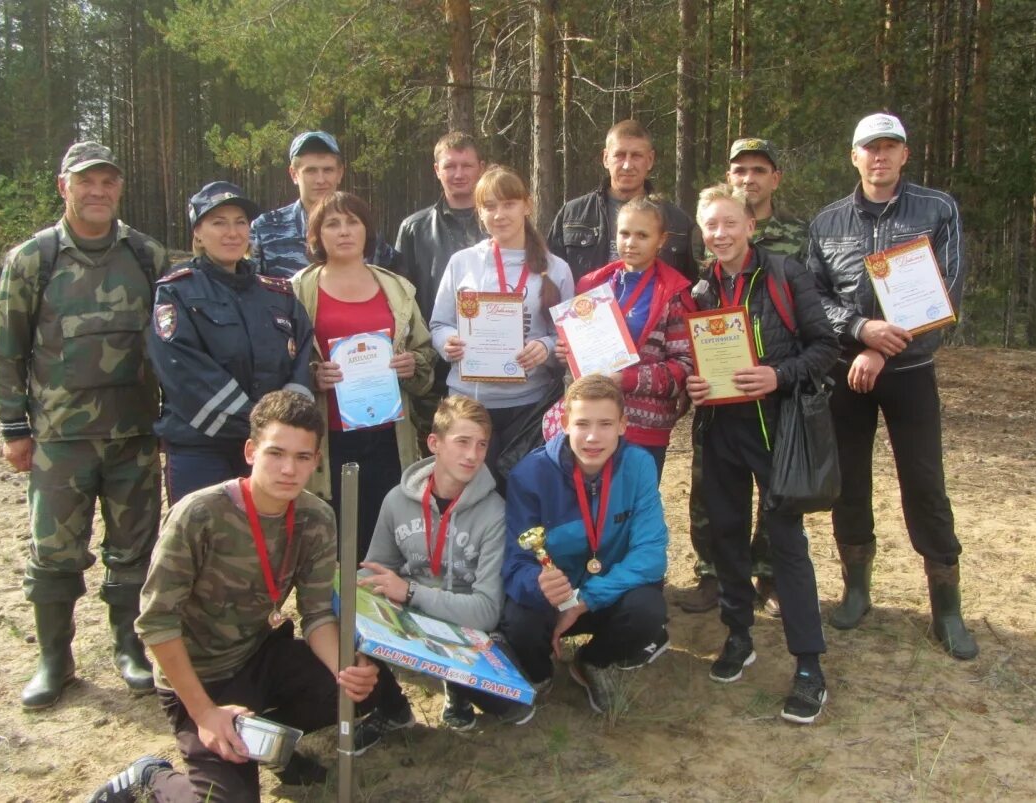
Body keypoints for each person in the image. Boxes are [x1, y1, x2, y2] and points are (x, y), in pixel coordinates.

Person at [86, 391, 381, 803]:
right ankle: (151, 777)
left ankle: (265, 745)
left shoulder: (316, 517)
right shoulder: (198, 515)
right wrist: (205, 713)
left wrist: (342, 669)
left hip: (258, 656)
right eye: (276, 453)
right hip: (198, 677)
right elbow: (156, 623)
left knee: (361, 689)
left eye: (302, 457)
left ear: (316, 461)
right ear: (250, 451)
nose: (288, 469)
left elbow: (315, 615)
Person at [0, 140, 168, 710]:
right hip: (59, 441)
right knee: (54, 552)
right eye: (86, 182)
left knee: (133, 549)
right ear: (64, 186)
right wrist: (13, 429)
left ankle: (129, 647)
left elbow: (172, 341)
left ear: (119, 189)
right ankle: (54, 659)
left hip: (135, 435)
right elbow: (6, 349)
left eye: (108, 182)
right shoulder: (33, 260)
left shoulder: (146, 256)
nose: (98, 192)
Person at [807, 113, 977, 660]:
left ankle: (946, 607)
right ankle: (857, 589)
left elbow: (942, 295)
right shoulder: (827, 223)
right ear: (853, 157)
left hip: (909, 374)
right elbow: (816, 301)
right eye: (869, 148)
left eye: (890, 147)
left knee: (925, 484)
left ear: (906, 155)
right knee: (848, 482)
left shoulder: (937, 210)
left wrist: (880, 350)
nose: (879, 157)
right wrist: (859, 333)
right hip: (845, 372)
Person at [685, 184, 838, 723]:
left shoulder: (785, 274)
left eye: (730, 223)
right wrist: (692, 385)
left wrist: (777, 374)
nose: (720, 234)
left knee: (785, 540)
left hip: (777, 429)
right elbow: (693, 359)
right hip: (720, 429)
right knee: (725, 534)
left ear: (750, 225)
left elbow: (825, 348)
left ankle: (809, 666)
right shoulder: (701, 288)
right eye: (711, 226)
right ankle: (739, 636)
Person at [354, 396, 533, 751]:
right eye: (462, 442)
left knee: (515, 710)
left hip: (466, 629)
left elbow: (486, 610)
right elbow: (373, 573)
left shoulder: (495, 513)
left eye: (481, 444)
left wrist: (409, 593)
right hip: (412, 620)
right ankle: (391, 708)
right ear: (434, 443)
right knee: (344, 624)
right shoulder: (396, 501)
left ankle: (458, 685)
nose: (473, 455)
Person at [681, 137, 811, 616]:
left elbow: (813, 321)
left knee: (776, 494)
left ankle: (771, 574)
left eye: (760, 169)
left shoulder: (798, 241)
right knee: (710, 491)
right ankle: (714, 573)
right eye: (740, 170)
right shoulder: (705, 263)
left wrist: (780, 373)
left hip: (775, 395)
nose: (749, 178)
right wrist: (694, 375)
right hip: (719, 404)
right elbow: (688, 324)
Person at [499, 375, 669, 715]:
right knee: (519, 622)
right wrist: (537, 584)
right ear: (564, 423)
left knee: (649, 612)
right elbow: (515, 564)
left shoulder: (638, 465)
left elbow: (651, 556)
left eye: (605, 423)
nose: (593, 437)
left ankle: (593, 661)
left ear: (622, 424)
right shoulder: (529, 474)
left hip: (601, 596)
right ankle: (539, 673)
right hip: (555, 599)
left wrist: (586, 600)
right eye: (582, 424)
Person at [148, 181, 314, 505]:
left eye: (240, 222)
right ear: (198, 232)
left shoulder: (277, 293)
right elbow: (182, 371)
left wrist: (279, 426)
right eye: (218, 222)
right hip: (203, 447)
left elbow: (301, 356)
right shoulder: (176, 292)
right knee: (204, 544)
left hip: (270, 449)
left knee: (267, 543)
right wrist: (259, 422)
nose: (232, 232)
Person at [291, 192, 435, 563]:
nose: (344, 232)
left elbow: (425, 352)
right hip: (329, 438)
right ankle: (336, 617)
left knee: (384, 541)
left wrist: (411, 364)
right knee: (333, 544)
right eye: (332, 224)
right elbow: (282, 361)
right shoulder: (297, 291)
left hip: (389, 437)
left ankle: (381, 618)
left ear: (367, 230)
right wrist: (312, 376)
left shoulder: (396, 288)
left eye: (353, 222)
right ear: (316, 234)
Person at [430, 166, 575, 489]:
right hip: (469, 403)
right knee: (467, 495)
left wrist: (547, 347)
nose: (499, 214)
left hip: (529, 406)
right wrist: (447, 342)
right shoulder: (462, 262)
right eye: (489, 206)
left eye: (508, 204)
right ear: (479, 212)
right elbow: (439, 324)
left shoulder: (557, 269)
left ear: (527, 205)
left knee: (522, 496)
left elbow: (567, 337)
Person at [561, 196, 695, 478]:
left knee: (634, 511)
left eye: (642, 235)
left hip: (644, 429)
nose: (631, 242)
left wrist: (628, 379)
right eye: (624, 233)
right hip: (593, 425)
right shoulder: (592, 285)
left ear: (661, 240)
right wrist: (567, 351)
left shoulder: (673, 293)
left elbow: (683, 366)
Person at [394, 132, 488, 445]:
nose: (458, 174)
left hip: (491, 361)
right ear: (436, 170)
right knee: (438, 450)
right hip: (433, 367)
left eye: (467, 165)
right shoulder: (414, 228)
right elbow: (400, 300)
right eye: (450, 166)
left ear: (481, 168)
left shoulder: (500, 222)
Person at [547, 119, 700, 282]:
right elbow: (549, 277)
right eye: (620, 155)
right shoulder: (572, 216)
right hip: (586, 306)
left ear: (650, 160)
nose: (627, 165)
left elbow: (692, 287)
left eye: (636, 156)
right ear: (606, 158)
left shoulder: (677, 222)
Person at [250, 130, 395, 278]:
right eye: (311, 171)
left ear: (339, 173)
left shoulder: (360, 231)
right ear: (294, 174)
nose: (320, 180)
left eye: (328, 170)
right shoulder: (266, 229)